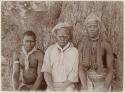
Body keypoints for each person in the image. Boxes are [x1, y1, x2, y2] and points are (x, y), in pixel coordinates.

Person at [78, 13, 113, 92]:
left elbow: (110, 71)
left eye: (94, 26)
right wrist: (84, 87)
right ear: (86, 28)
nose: (92, 29)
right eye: (89, 27)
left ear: (98, 28)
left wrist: (105, 88)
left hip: (103, 80)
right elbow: (80, 69)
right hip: (87, 79)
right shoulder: (82, 44)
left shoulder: (106, 44)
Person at [41, 22, 79, 91]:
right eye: (60, 36)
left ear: (69, 36)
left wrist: (62, 88)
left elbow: (74, 73)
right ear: (56, 36)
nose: (62, 39)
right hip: (52, 85)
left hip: (68, 85)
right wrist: (51, 87)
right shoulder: (50, 50)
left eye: (65, 36)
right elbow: (46, 71)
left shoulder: (74, 51)